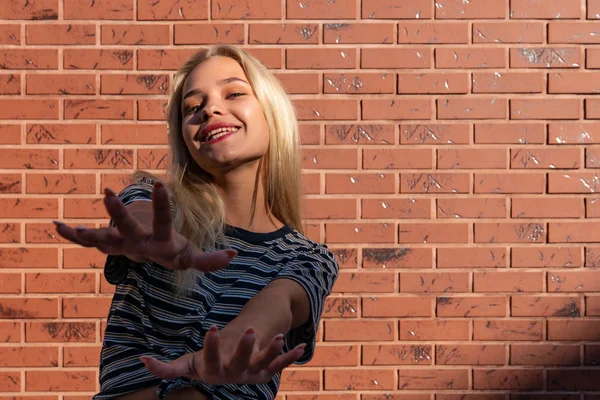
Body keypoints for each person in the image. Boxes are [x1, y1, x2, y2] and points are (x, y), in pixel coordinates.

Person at [53, 44, 339, 400]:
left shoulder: (307, 257)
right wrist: (150, 241)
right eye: (193, 107)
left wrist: (234, 344)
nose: (210, 109)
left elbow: (278, 304)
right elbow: (140, 218)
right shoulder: (154, 202)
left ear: (272, 112)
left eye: (234, 93)